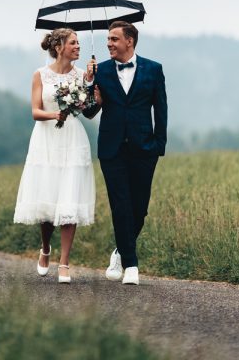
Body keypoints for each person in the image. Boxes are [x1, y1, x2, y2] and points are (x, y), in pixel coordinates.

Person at [84, 20, 167, 285]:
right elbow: (88, 111)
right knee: (120, 205)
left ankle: (120, 251)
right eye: (108, 39)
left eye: (114, 39)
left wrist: (158, 146)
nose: (109, 43)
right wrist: (89, 87)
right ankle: (131, 266)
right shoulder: (101, 71)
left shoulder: (154, 70)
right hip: (112, 148)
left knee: (139, 209)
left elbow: (161, 110)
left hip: (144, 148)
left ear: (129, 41)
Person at [14, 28, 96, 284]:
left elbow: (91, 106)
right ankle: (46, 247)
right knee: (48, 200)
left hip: (72, 139)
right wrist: (55, 115)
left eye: (79, 43)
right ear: (59, 46)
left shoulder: (82, 75)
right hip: (46, 139)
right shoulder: (40, 75)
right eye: (73, 43)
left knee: (69, 199)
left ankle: (64, 263)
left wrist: (91, 82)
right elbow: (35, 111)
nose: (78, 47)